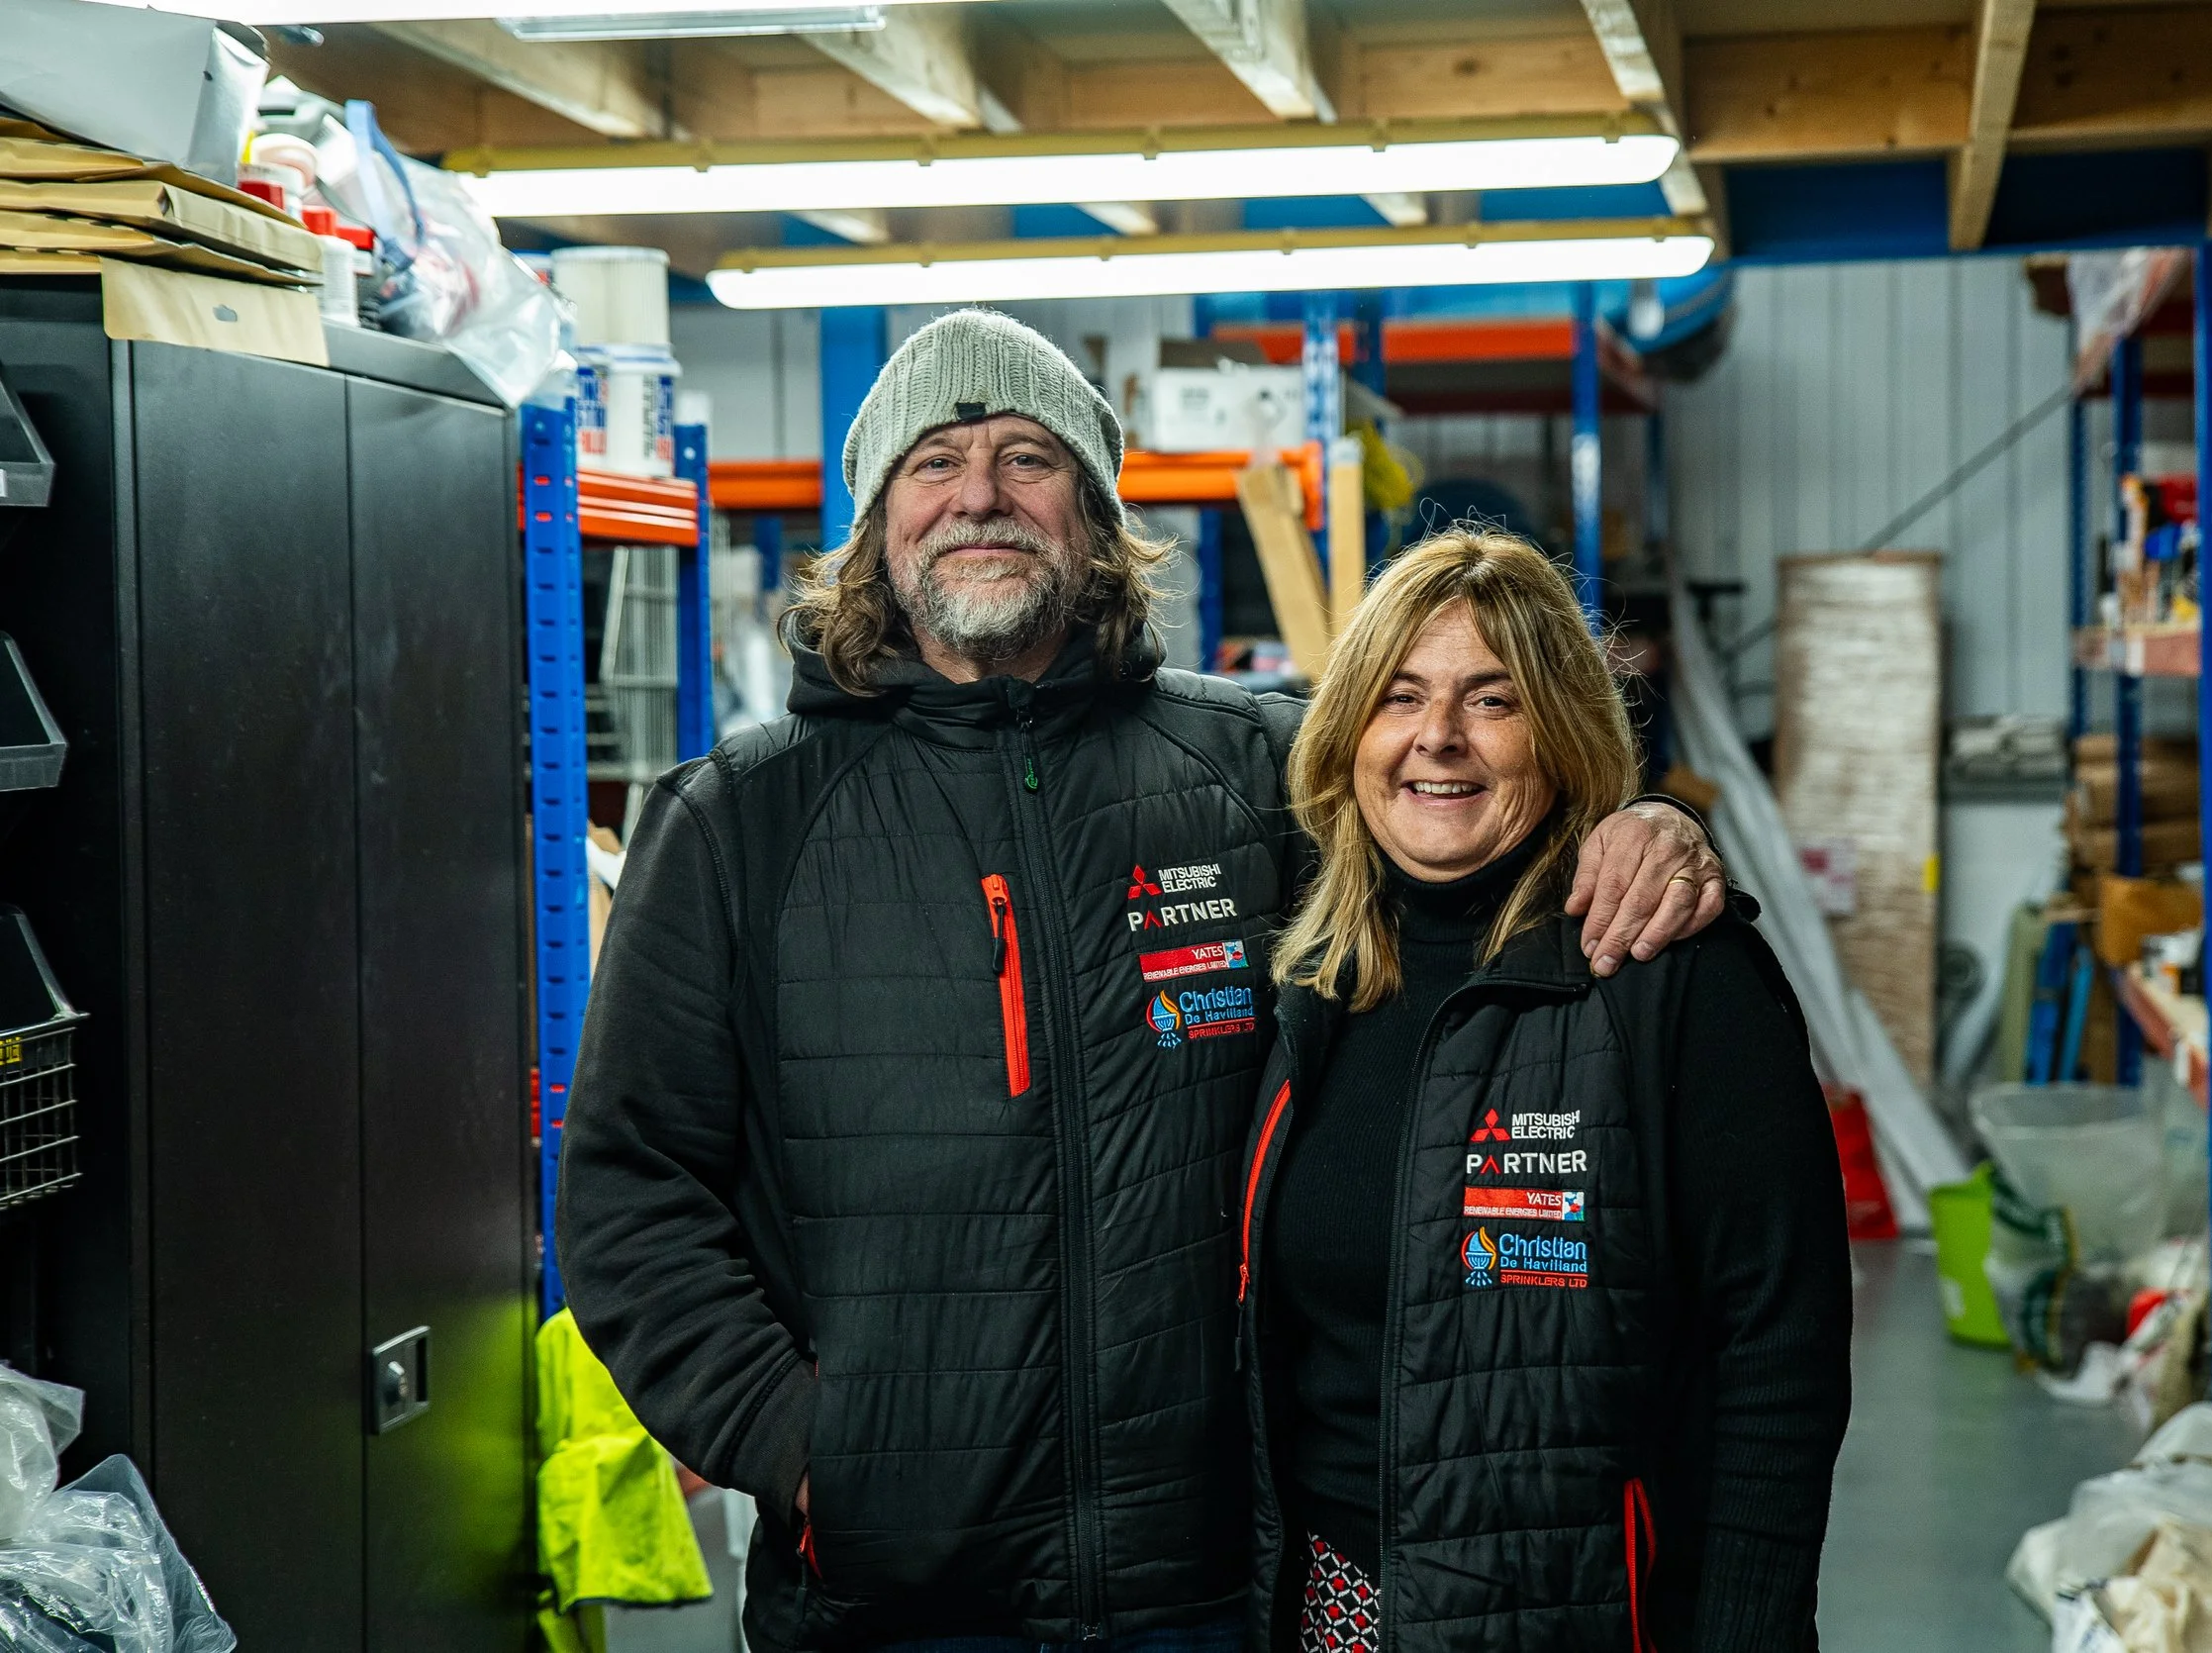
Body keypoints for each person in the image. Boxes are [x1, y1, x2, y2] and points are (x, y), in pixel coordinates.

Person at [557, 309, 1727, 1652]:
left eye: (1027, 456)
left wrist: (1639, 829)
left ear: (1099, 517)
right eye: (934, 461)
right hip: (892, 1592)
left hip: (1211, 1577)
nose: (981, 493)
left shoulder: (1260, 774)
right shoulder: (737, 822)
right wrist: (806, 1444)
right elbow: (632, 1188)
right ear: (879, 520)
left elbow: (1476, 835)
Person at [1241, 530, 1853, 1653]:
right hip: (1324, 1608)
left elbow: (1778, 1359)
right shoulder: (1302, 981)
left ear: (1562, 731)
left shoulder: (1668, 974)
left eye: (1492, 700)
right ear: (1350, 734)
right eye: (1399, 696)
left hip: (1575, 1611)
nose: (1437, 737)